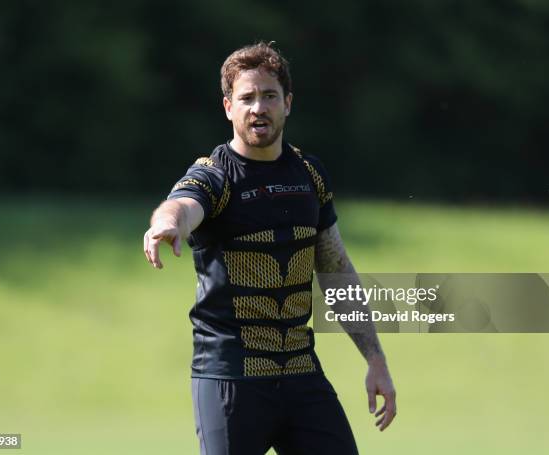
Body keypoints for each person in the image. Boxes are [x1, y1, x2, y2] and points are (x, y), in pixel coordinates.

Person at [143, 41, 396, 455]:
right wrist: (166, 226)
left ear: (288, 103)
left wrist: (376, 360)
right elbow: (183, 205)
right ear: (228, 107)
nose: (258, 107)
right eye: (246, 98)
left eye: (269, 96)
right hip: (231, 378)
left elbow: (336, 270)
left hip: (301, 375)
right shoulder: (215, 175)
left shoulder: (310, 175)